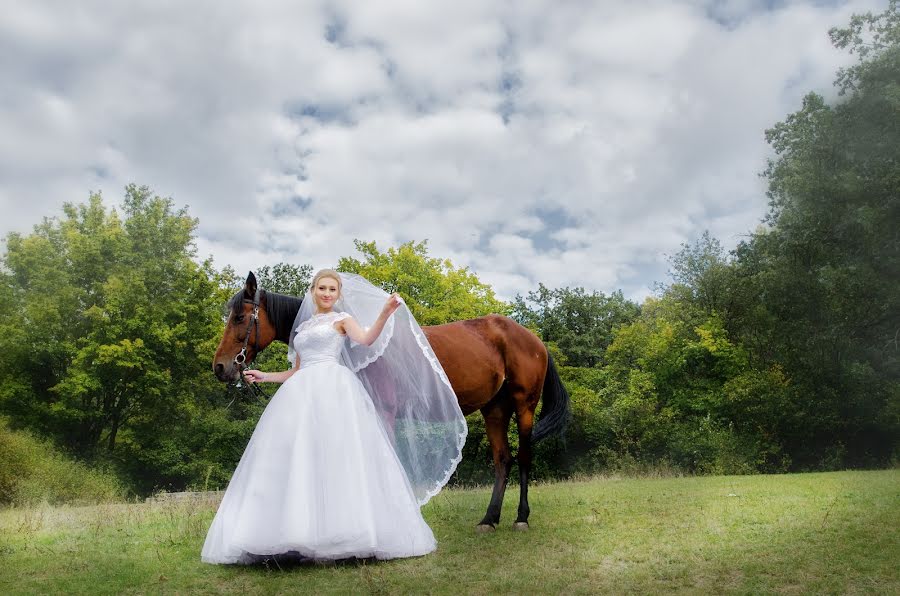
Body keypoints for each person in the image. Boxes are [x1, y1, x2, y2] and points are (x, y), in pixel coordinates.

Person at [201, 269, 466, 564]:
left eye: (332, 290)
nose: (327, 294)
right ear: (313, 291)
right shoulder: (302, 329)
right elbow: (297, 371)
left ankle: (347, 533)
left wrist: (386, 312)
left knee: (340, 458)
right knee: (299, 458)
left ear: (338, 294)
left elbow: (366, 340)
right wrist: (265, 376)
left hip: (334, 391)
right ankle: (295, 532)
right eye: (322, 288)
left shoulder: (342, 321)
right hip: (302, 392)